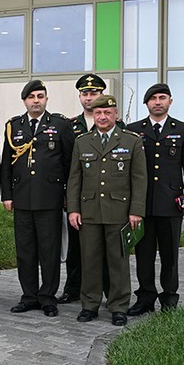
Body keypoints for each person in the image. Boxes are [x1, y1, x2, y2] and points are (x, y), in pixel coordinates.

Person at [67, 95, 146, 327]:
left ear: (116, 115)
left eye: (107, 113)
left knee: (118, 261)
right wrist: (73, 209)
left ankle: (118, 306)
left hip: (119, 211)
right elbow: (74, 179)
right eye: (98, 113)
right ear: (94, 115)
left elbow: (139, 180)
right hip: (89, 210)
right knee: (89, 259)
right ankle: (89, 305)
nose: (102, 117)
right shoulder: (82, 141)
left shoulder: (131, 141)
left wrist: (136, 211)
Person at [1, 80, 74, 317]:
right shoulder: (14, 126)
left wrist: (66, 197)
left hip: (50, 199)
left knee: (49, 251)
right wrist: (7, 196)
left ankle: (48, 297)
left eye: (40, 96)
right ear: (24, 101)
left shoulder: (61, 125)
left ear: (46, 99)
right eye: (31, 96)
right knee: (26, 251)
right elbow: (6, 165)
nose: (36, 100)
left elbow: (69, 165)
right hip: (22, 199)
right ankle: (29, 296)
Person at [126, 83, 184, 314]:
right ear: (146, 103)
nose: (157, 102)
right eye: (153, 98)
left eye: (162, 98)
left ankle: (169, 298)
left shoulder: (183, 129)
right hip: (143, 205)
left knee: (170, 255)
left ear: (170, 101)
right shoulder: (133, 129)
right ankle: (145, 298)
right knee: (143, 255)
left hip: (170, 204)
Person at [59, 73, 120, 304]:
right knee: (76, 246)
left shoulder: (118, 127)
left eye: (93, 93)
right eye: (85, 93)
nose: (89, 97)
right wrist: (67, 196)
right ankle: (73, 288)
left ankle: (108, 290)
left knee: (107, 248)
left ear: (102, 95)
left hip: (108, 199)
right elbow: (65, 164)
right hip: (79, 197)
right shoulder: (69, 126)